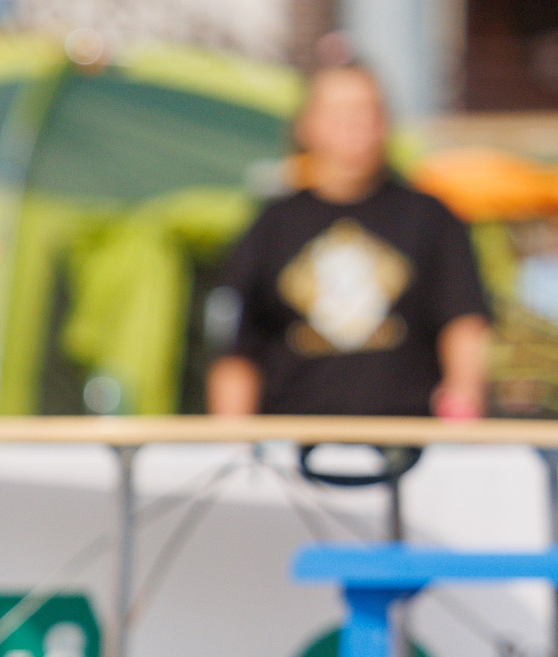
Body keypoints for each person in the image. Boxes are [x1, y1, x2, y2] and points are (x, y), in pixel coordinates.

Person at [207, 59, 490, 420]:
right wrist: (235, 444)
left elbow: (463, 323)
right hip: (293, 443)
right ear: (307, 125)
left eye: (368, 110)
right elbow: (238, 352)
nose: (357, 125)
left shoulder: (430, 217)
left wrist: (462, 410)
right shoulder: (271, 225)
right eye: (341, 112)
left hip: (407, 442)